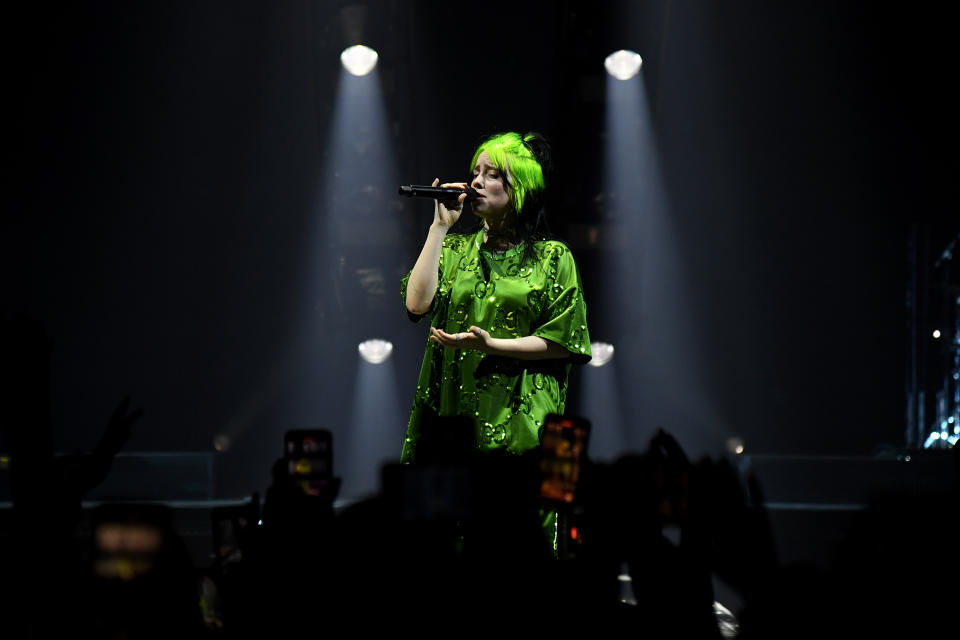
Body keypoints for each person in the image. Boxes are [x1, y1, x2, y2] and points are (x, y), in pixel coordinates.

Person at [400, 131, 591, 465]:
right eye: (475, 172)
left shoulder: (552, 258)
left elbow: (564, 342)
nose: (477, 181)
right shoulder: (453, 250)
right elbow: (416, 305)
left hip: (522, 417)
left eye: (492, 174)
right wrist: (439, 228)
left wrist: (491, 345)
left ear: (521, 187)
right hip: (455, 416)